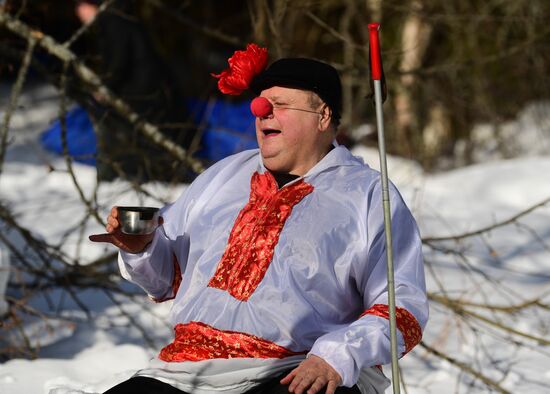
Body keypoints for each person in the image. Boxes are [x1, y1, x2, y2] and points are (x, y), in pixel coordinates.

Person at [90, 44, 428, 394]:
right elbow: (167, 278)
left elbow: (401, 307)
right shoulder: (223, 175)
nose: (262, 112)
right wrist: (140, 247)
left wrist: (337, 355)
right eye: (262, 104)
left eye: (280, 105)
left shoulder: (367, 195)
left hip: (298, 370)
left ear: (323, 115)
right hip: (187, 371)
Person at [75, 0, 194, 182]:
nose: (79, 15)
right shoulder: (119, 17)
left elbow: (118, 61)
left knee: (140, 135)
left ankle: (141, 174)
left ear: (88, 5)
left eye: (79, 8)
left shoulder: (112, 22)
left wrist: (105, 87)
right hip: (148, 88)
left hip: (142, 91)